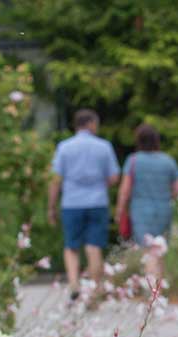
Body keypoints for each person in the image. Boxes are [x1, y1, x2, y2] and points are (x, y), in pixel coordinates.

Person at [48, 109, 121, 301]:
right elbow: (114, 177)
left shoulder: (64, 147)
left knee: (71, 246)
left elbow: (55, 179)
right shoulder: (104, 146)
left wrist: (51, 206)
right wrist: (98, 184)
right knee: (93, 246)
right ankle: (96, 289)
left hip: (71, 202)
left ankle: (74, 284)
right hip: (97, 201)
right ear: (90, 124)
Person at [116, 123, 178, 288]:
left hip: (140, 211)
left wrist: (120, 210)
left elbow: (125, 190)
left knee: (149, 251)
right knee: (159, 250)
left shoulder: (133, 160)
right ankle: (158, 288)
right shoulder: (168, 161)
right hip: (163, 210)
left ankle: (152, 292)